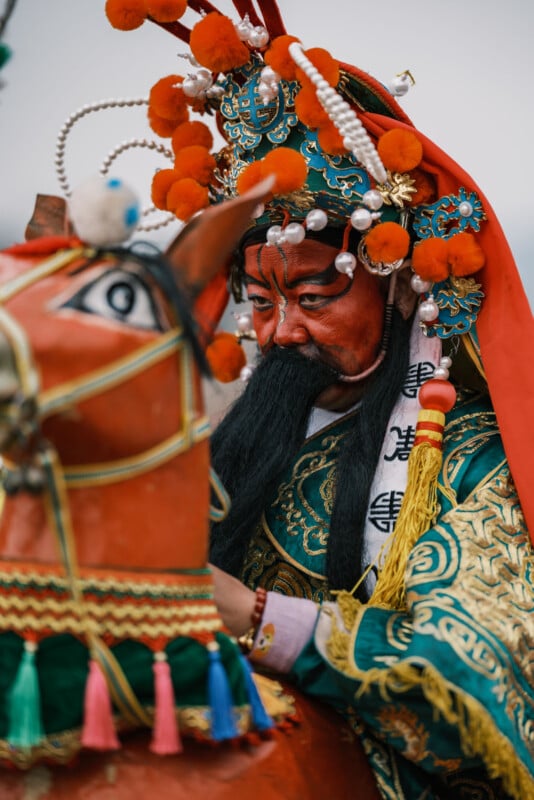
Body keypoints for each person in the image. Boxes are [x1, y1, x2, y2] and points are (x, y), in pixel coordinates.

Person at [106, 2, 534, 798]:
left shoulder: (476, 454)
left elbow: (475, 672)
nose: (281, 332)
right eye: (261, 302)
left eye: (312, 293)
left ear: (400, 287)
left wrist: (255, 618)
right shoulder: (234, 429)